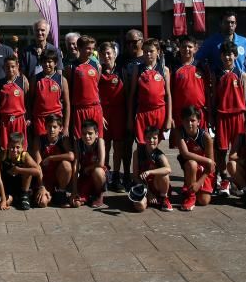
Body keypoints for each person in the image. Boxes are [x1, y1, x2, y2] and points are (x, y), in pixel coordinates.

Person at [212, 40, 246, 196]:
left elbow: (245, 98)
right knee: (221, 150)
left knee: (238, 151)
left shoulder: (242, 74)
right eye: (225, 54)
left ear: (235, 55)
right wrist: (212, 116)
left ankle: (237, 179)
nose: (228, 57)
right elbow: (213, 97)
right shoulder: (217, 73)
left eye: (230, 54)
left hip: (238, 116)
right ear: (221, 56)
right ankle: (223, 178)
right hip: (222, 115)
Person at [127, 39, 172, 146]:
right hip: (142, 113)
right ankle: (141, 162)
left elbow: (168, 95)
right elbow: (132, 95)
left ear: (158, 52)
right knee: (142, 145)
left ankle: (154, 163)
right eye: (145, 51)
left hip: (159, 112)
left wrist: (169, 118)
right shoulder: (137, 69)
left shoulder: (164, 70)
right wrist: (129, 118)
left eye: (151, 51)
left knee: (154, 145)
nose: (148, 54)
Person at [172, 105, 215, 211]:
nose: (189, 123)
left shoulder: (206, 137)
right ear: (182, 121)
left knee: (204, 201)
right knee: (192, 163)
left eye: (193, 120)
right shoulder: (179, 132)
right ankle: (191, 196)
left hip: (205, 170)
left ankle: (190, 186)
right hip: (190, 166)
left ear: (199, 121)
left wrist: (199, 182)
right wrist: (208, 160)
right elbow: (185, 154)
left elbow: (211, 166)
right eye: (186, 120)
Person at [98, 41, 127, 191]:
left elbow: (128, 93)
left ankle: (116, 176)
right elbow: (94, 93)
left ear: (115, 54)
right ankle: (105, 174)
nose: (107, 56)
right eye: (104, 54)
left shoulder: (122, 71)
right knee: (105, 145)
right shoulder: (98, 71)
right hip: (103, 113)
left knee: (118, 145)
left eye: (109, 53)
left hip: (119, 112)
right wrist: (99, 114)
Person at [170, 36, 208, 147]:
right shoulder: (173, 67)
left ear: (195, 48)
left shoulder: (202, 66)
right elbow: (169, 92)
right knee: (183, 146)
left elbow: (208, 90)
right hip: (180, 113)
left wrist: (209, 111)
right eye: (184, 46)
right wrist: (170, 115)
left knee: (201, 144)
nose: (187, 49)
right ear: (179, 48)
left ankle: (202, 164)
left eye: (190, 47)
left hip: (199, 112)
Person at [28, 51, 70, 147]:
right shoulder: (35, 79)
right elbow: (30, 101)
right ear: (41, 63)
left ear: (55, 63)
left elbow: (67, 105)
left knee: (55, 148)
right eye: (44, 62)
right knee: (40, 148)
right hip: (39, 120)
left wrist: (66, 126)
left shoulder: (62, 80)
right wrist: (29, 118)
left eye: (50, 61)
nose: (47, 64)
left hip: (56, 120)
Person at [33, 114, 74, 208]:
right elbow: (38, 166)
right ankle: (49, 194)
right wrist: (42, 186)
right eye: (49, 126)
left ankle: (61, 192)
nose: (52, 130)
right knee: (42, 203)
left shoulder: (63, 139)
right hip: (45, 178)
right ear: (45, 127)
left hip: (59, 176)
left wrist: (51, 158)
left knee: (66, 165)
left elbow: (71, 156)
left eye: (55, 127)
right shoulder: (39, 140)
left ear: (60, 128)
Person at [198, 12, 246, 77]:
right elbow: (198, 60)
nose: (230, 25)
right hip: (219, 84)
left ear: (235, 24)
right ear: (220, 24)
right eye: (226, 22)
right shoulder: (210, 42)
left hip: (240, 83)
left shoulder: (244, 41)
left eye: (232, 22)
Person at [129, 126, 171, 213]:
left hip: (157, 185)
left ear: (158, 139)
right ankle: (148, 200)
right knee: (139, 207)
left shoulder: (160, 155)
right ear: (144, 138)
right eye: (148, 138)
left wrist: (150, 172)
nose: (151, 140)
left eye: (154, 138)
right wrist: (148, 193)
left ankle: (164, 199)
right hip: (143, 186)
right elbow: (135, 177)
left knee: (165, 174)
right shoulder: (137, 153)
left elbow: (168, 169)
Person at [69, 36, 103, 139]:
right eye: (88, 48)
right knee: (79, 139)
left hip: (94, 108)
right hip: (79, 109)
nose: (91, 51)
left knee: (97, 139)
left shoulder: (97, 66)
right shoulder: (71, 67)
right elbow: (69, 90)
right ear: (79, 48)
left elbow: (97, 88)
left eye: (93, 48)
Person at [71, 119, 107, 208]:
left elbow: (101, 163)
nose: (87, 136)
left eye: (90, 133)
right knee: (76, 203)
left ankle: (98, 195)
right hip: (85, 176)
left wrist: (89, 168)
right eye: (84, 133)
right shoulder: (78, 143)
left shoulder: (100, 141)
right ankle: (88, 196)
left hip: (97, 174)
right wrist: (74, 189)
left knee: (98, 171)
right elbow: (76, 164)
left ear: (97, 134)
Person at [0, 55, 29, 150]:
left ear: (17, 66)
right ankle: (6, 164)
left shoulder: (23, 81)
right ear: (3, 68)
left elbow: (27, 101)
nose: (10, 69)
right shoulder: (0, 83)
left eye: (13, 66)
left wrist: (28, 117)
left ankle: (21, 165)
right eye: (7, 67)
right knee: (5, 147)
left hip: (19, 119)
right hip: (5, 121)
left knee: (20, 147)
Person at [1, 131, 39, 210]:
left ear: (22, 147)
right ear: (8, 146)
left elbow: (38, 171)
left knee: (28, 169)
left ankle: (25, 196)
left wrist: (19, 170)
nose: (15, 150)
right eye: (12, 147)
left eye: (17, 147)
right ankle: (16, 198)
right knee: (7, 202)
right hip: (9, 185)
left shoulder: (25, 156)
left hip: (22, 184)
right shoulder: (4, 154)